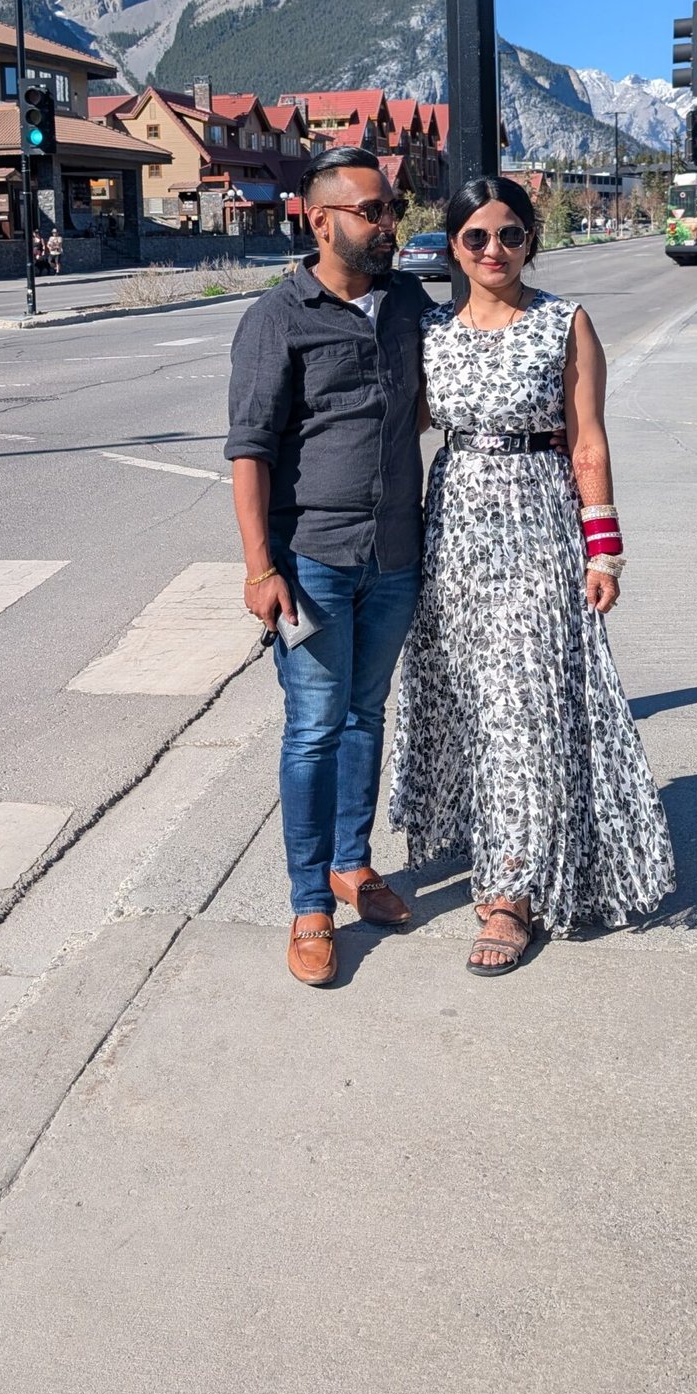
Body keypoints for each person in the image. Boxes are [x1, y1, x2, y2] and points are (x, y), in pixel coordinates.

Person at [390, 176, 675, 975]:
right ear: (453, 247)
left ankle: (511, 892)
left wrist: (604, 548)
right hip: (453, 532)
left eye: (510, 235)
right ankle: (494, 838)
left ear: (531, 241)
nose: (494, 250)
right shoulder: (431, 331)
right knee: (470, 699)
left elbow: (587, 441)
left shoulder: (563, 322)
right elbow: (401, 425)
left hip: (538, 528)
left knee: (524, 702)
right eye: (476, 237)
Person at [225, 146, 430, 988]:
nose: (388, 225)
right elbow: (249, 450)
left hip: (397, 554)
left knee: (366, 714)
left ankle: (352, 862)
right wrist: (259, 569)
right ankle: (311, 905)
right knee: (313, 727)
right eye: (371, 211)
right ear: (320, 221)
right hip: (312, 561)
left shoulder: (408, 301)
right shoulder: (278, 318)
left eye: (391, 210)